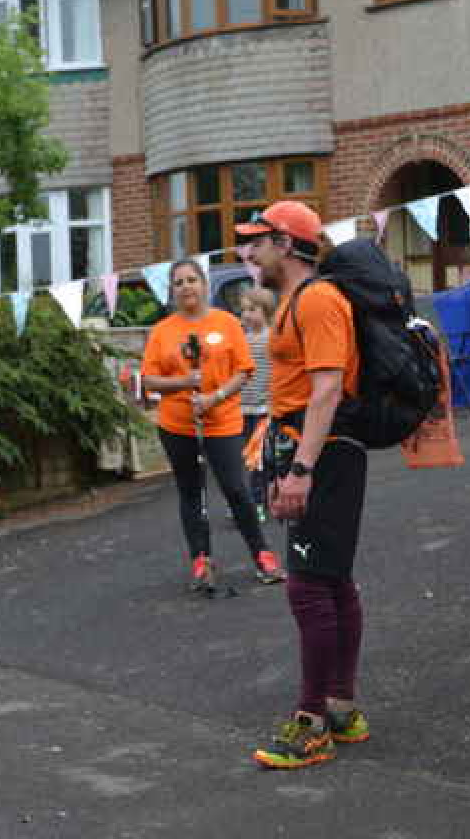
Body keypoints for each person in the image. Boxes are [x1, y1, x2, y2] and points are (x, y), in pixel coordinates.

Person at [234, 200, 369, 770]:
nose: (250, 252)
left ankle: (312, 721)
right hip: (314, 449)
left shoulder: (317, 300)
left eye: (258, 241)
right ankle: (340, 708)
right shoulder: (298, 301)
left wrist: (301, 470)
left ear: (287, 245)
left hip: (327, 454)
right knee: (331, 582)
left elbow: (327, 390)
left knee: (309, 585)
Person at [140, 257, 284, 589]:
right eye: (178, 283)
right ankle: (201, 560)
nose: (186, 287)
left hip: (222, 421)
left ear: (204, 285)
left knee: (237, 488)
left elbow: (243, 371)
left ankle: (262, 555)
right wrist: (182, 383)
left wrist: (213, 398)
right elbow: (148, 380)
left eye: (192, 280)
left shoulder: (227, 323)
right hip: (178, 426)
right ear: (171, 291)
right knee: (191, 492)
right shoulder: (162, 332)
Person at [238, 287, 275, 523]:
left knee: (260, 459)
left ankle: (259, 503)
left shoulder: (272, 338)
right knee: (251, 459)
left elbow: (277, 374)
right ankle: (259, 499)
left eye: (253, 309)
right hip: (244, 408)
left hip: (265, 409)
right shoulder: (242, 340)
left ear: (267, 311)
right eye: (243, 310)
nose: (247, 315)